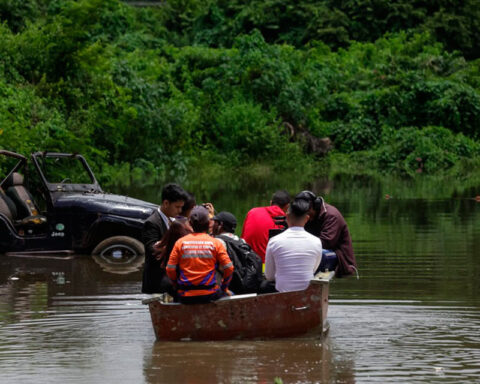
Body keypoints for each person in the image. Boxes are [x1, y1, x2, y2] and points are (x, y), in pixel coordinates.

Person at [166, 206, 234, 304]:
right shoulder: (215, 243)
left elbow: (170, 269)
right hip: (210, 294)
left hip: (185, 295)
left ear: (190, 223)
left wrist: (176, 285)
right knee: (231, 294)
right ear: (208, 224)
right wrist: (224, 288)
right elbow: (229, 268)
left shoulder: (180, 243)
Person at [264, 199, 322, 292]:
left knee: (264, 285)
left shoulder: (274, 241)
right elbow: (313, 270)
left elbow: (269, 276)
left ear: (286, 217)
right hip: (307, 295)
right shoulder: (317, 241)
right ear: (307, 218)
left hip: (282, 294)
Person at [296, 190, 357, 278]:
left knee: (312, 253)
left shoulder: (331, 215)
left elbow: (326, 242)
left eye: (307, 211)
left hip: (336, 255)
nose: (305, 215)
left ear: (315, 205)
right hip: (316, 250)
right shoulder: (306, 216)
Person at [141, 183, 187, 294]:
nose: (180, 211)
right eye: (177, 207)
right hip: (156, 282)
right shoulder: (152, 223)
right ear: (166, 203)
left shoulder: (174, 221)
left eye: (181, 207)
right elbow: (152, 250)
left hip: (170, 281)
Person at [211, 211, 263, 293]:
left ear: (220, 225)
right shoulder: (242, 241)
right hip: (243, 286)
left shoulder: (218, 241)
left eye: (215, 222)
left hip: (226, 289)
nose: (212, 225)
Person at [241, 190, 291, 263]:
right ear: (287, 206)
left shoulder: (253, 211)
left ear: (271, 203)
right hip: (266, 265)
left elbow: (242, 238)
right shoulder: (286, 222)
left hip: (246, 261)